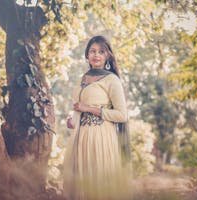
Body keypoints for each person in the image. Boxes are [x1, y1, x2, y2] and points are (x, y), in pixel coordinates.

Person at [63, 35, 132, 200]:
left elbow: (122, 115)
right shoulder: (84, 78)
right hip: (81, 137)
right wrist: (72, 120)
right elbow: (79, 107)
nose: (96, 55)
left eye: (101, 51)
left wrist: (90, 109)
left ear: (107, 55)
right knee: (81, 185)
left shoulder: (111, 80)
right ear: (87, 55)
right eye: (92, 51)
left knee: (98, 185)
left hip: (101, 137)